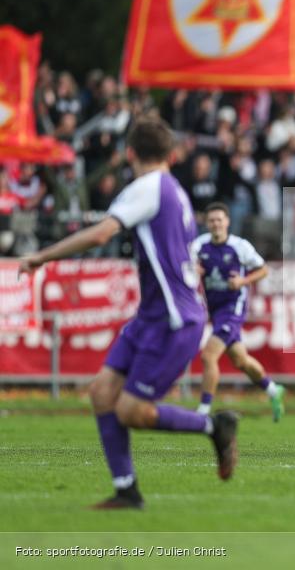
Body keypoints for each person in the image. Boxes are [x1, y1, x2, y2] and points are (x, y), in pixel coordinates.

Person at [18, 118, 238, 509]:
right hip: (153, 315)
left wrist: (41, 256)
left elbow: (102, 233)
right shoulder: (175, 189)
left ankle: (214, 426)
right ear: (171, 154)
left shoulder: (146, 187)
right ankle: (127, 490)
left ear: (130, 153)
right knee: (102, 393)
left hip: (173, 319)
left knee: (132, 410)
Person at [191, 202, 284, 420]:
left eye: (219, 220)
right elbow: (184, 265)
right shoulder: (199, 245)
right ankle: (273, 390)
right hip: (215, 310)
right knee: (240, 360)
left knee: (208, 356)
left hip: (233, 309)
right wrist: (191, 268)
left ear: (227, 222)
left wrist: (243, 281)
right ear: (206, 223)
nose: (215, 224)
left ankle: (203, 411)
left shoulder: (239, 246)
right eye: (211, 220)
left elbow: (263, 269)